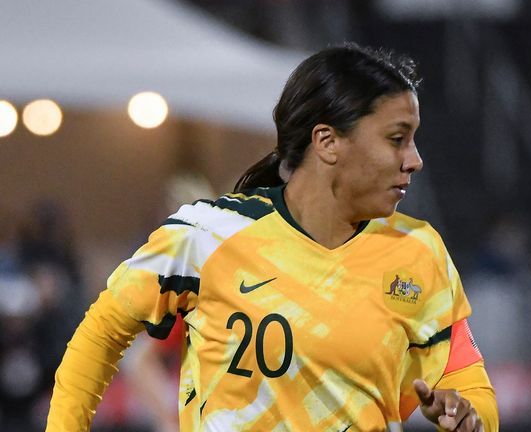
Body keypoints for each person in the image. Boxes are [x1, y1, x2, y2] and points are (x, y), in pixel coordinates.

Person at [46, 43, 498, 431]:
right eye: (397, 138)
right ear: (327, 142)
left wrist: (469, 415)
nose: (414, 159)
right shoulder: (207, 236)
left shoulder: (418, 252)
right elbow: (101, 333)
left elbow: (468, 384)